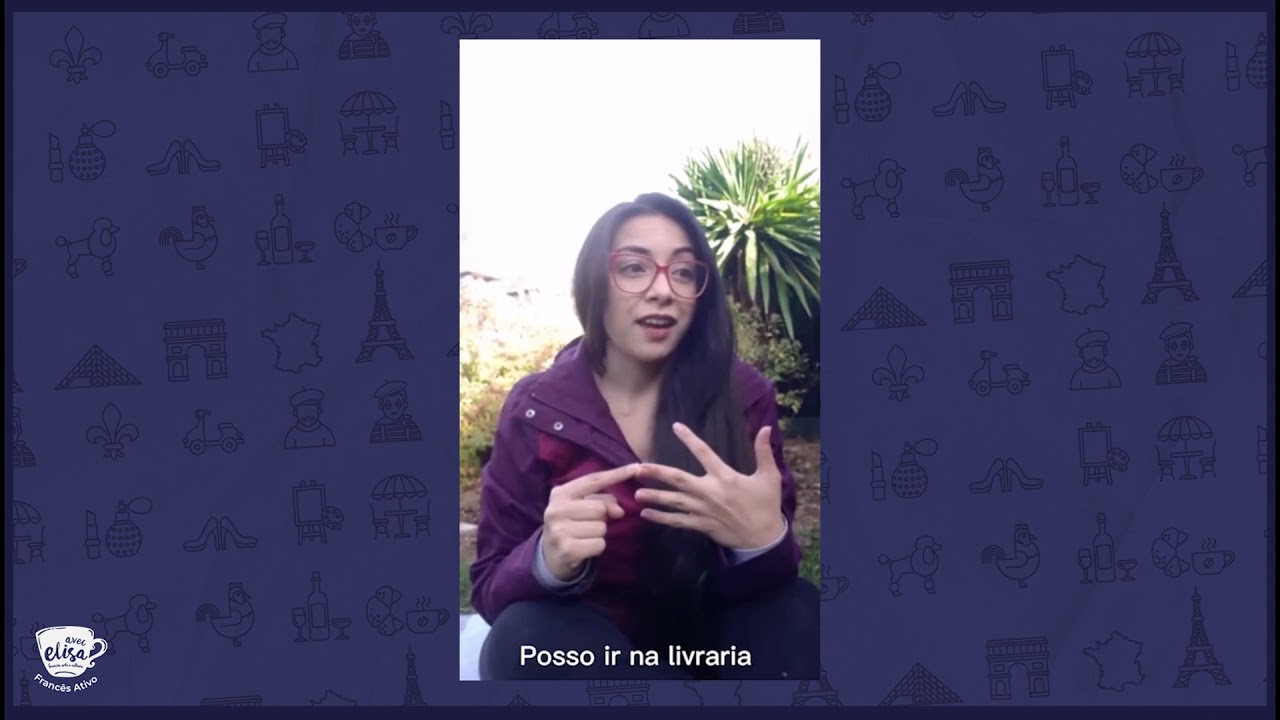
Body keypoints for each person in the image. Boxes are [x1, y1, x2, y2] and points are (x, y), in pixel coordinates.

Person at [470, 192, 819, 681]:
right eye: (634, 268)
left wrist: (763, 541)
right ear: (594, 282)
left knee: (798, 609)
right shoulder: (536, 409)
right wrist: (545, 559)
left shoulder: (743, 395)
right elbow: (489, 586)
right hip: (593, 653)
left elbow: (774, 577)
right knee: (522, 639)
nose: (663, 290)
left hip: (717, 643)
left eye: (684, 272)